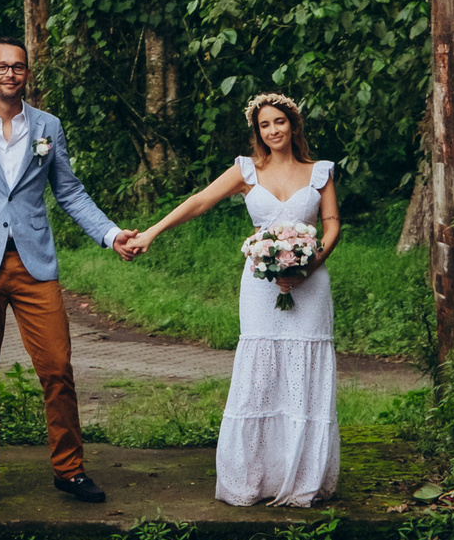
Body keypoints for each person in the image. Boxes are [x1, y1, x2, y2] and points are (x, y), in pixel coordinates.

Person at [0, 37, 140, 507]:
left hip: (33, 263)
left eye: (18, 67)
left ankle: (69, 470)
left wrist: (111, 234)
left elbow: (71, 192)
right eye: (0, 67)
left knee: (58, 368)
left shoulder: (47, 126)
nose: (9, 74)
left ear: (26, 74)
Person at [114, 92, 340, 507]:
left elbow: (331, 225)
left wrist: (306, 266)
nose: (273, 131)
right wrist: (150, 232)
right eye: (264, 125)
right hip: (259, 284)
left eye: (279, 122)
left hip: (310, 285)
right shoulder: (246, 171)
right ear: (258, 131)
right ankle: (254, 479)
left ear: (293, 125)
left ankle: (302, 478)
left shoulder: (319, 172)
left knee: (303, 371)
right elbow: (200, 201)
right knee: (260, 371)